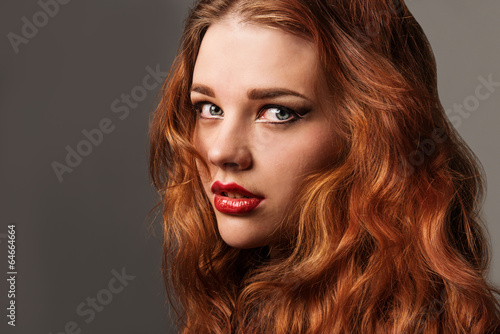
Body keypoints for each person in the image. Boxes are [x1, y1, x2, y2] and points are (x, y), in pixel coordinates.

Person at [149, 0, 500, 332]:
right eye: (209, 109)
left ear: (370, 133)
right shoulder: (236, 312)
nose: (221, 151)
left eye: (278, 112)